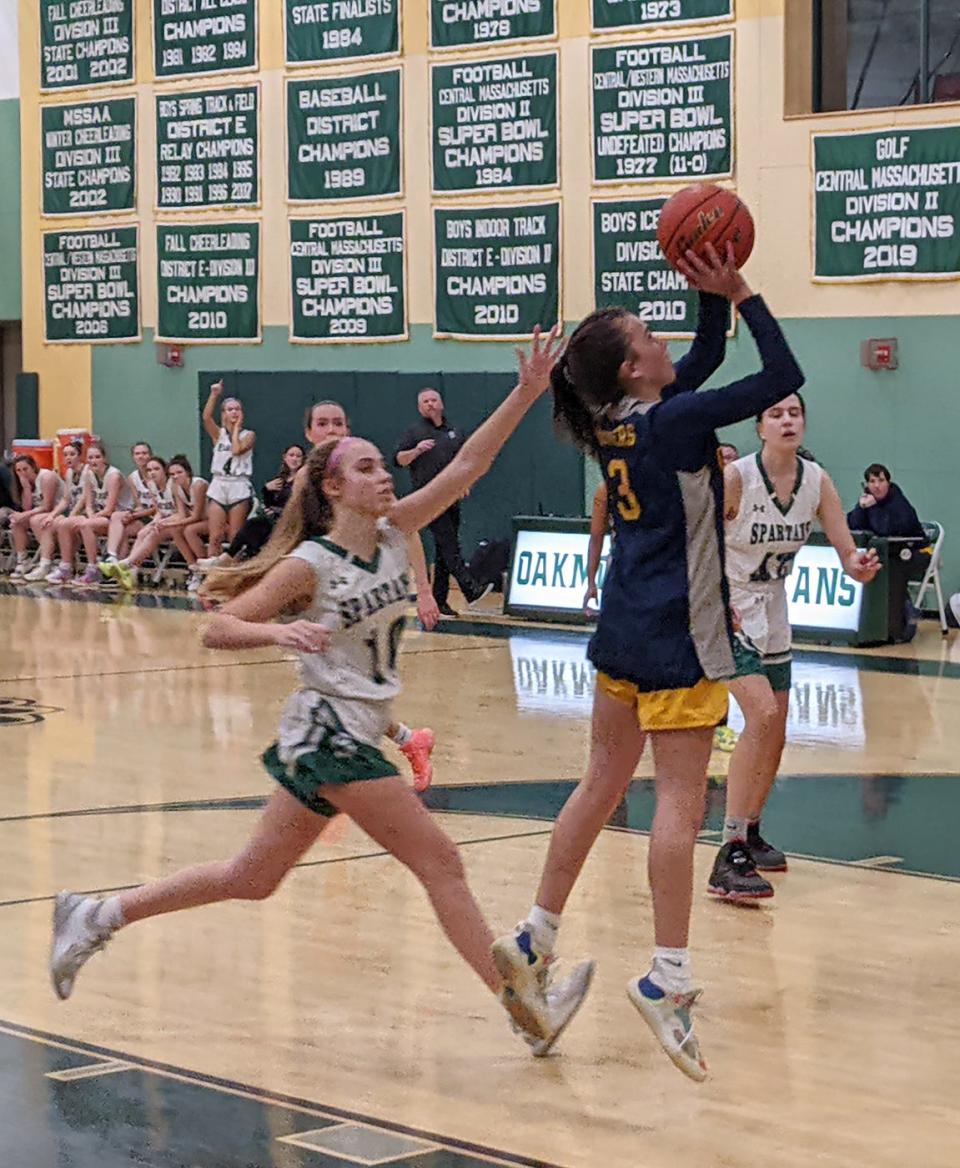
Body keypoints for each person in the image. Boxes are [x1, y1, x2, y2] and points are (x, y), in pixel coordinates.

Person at [49, 326, 596, 1056]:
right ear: (334, 487)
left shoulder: (399, 532)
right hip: (331, 736)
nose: (383, 476)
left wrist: (527, 390)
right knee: (441, 860)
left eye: (382, 466)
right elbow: (217, 630)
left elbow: (469, 464)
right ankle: (526, 1008)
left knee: (252, 876)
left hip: (347, 733)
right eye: (367, 468)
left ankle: (95, 914)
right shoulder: (311, 562)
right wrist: (279, 634)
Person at [492, 244, 805, 1082]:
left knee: (598, 783)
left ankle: (535, 937)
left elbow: (699, 364)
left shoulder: (619, 418)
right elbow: (781, 371)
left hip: (622, 629)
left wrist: (706, 298)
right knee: (678, 803)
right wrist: (742, 288)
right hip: (678, 636)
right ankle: (667, 978)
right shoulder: (674, 422)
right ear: (634, 366)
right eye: (649, 333)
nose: (664, 336)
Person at [707, 394, 880, 900]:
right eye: (776, 414)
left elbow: (848, 554)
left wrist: (860, 566)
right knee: (758, 713)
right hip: (728, 607)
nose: (787, 421)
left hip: (774, 610)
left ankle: (752, 828)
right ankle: (728, 851)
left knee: (777, 727)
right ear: (759, 426)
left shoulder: (816, 481)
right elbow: (696, 544)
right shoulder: (737, 478)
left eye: (795, 413)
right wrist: (714, 600)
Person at [394, 389, 492, 616]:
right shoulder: (415, 432)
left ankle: (440, 601)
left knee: (442, 551)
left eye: (433, 400)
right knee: (449, 545)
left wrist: (466, 483)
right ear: (420, 407)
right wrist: (416, 451)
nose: (429, 404)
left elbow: (467, 461)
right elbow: (399, 459)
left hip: (452, 497)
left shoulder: (454, 432)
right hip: (428, 498)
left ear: (441, 404)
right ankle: (470, 588)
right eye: (425, 401)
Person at [197, 444, 305, 571]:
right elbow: (269, 501)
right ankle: (231, 561)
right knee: (254, 530)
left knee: (255, 525)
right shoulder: (281, 479)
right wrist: (266, 490)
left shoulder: (302, 480)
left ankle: (229, 559)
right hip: (274, 518)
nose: (294, 459)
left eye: (298, 456)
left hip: (290, 520)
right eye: (291, 455)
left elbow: (295, 503)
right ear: (285, 458)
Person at [189, 382, 256, 560]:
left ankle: (232, 577)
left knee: (235, 537)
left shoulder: (248, 435)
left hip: (238, 484)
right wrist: (213, 395)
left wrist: (235, 429)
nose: (234, 412)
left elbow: (236, 450)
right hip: (219, 483)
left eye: (237, 409)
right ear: (223, 414)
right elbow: (206, 417)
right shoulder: (218, 435)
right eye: (229, 409)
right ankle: (212, 576)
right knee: (215, 536)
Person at [98, 456, 187, 589]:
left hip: (180, 522)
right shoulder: (152, 486)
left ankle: (126, 563)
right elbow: (159, 511)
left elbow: (181, 514)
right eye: (149, 470)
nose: (152, 472)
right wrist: (155, 522)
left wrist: (161, 522)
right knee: (142, 533)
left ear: (165, 471)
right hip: (165, 520)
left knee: (153, 533)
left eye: (156, 469)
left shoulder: (173, 486)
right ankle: (130, 570)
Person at [6, 455, 63, 580]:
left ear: (33, 467)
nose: (22, 473)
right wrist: (26, 488)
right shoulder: (23, 483)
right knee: (16, 522)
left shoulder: (47, 477)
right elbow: (27, 509)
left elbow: (47, 506)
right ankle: (23, 560)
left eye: (25, 469)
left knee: (33, 519)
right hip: (41, 515)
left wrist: (24, 515)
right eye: (18, 471)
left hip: (59, 513)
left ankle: (47, 562)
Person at [846, 463, 924, 538]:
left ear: (888, 483)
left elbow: (884, 530)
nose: (877, 485)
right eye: (872, 481)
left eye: (881, 480)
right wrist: (861, 507)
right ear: (867, 484)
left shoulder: (899, 502)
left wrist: (874, 507)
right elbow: (852, 526)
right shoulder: (867, 499)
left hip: (908, 547)